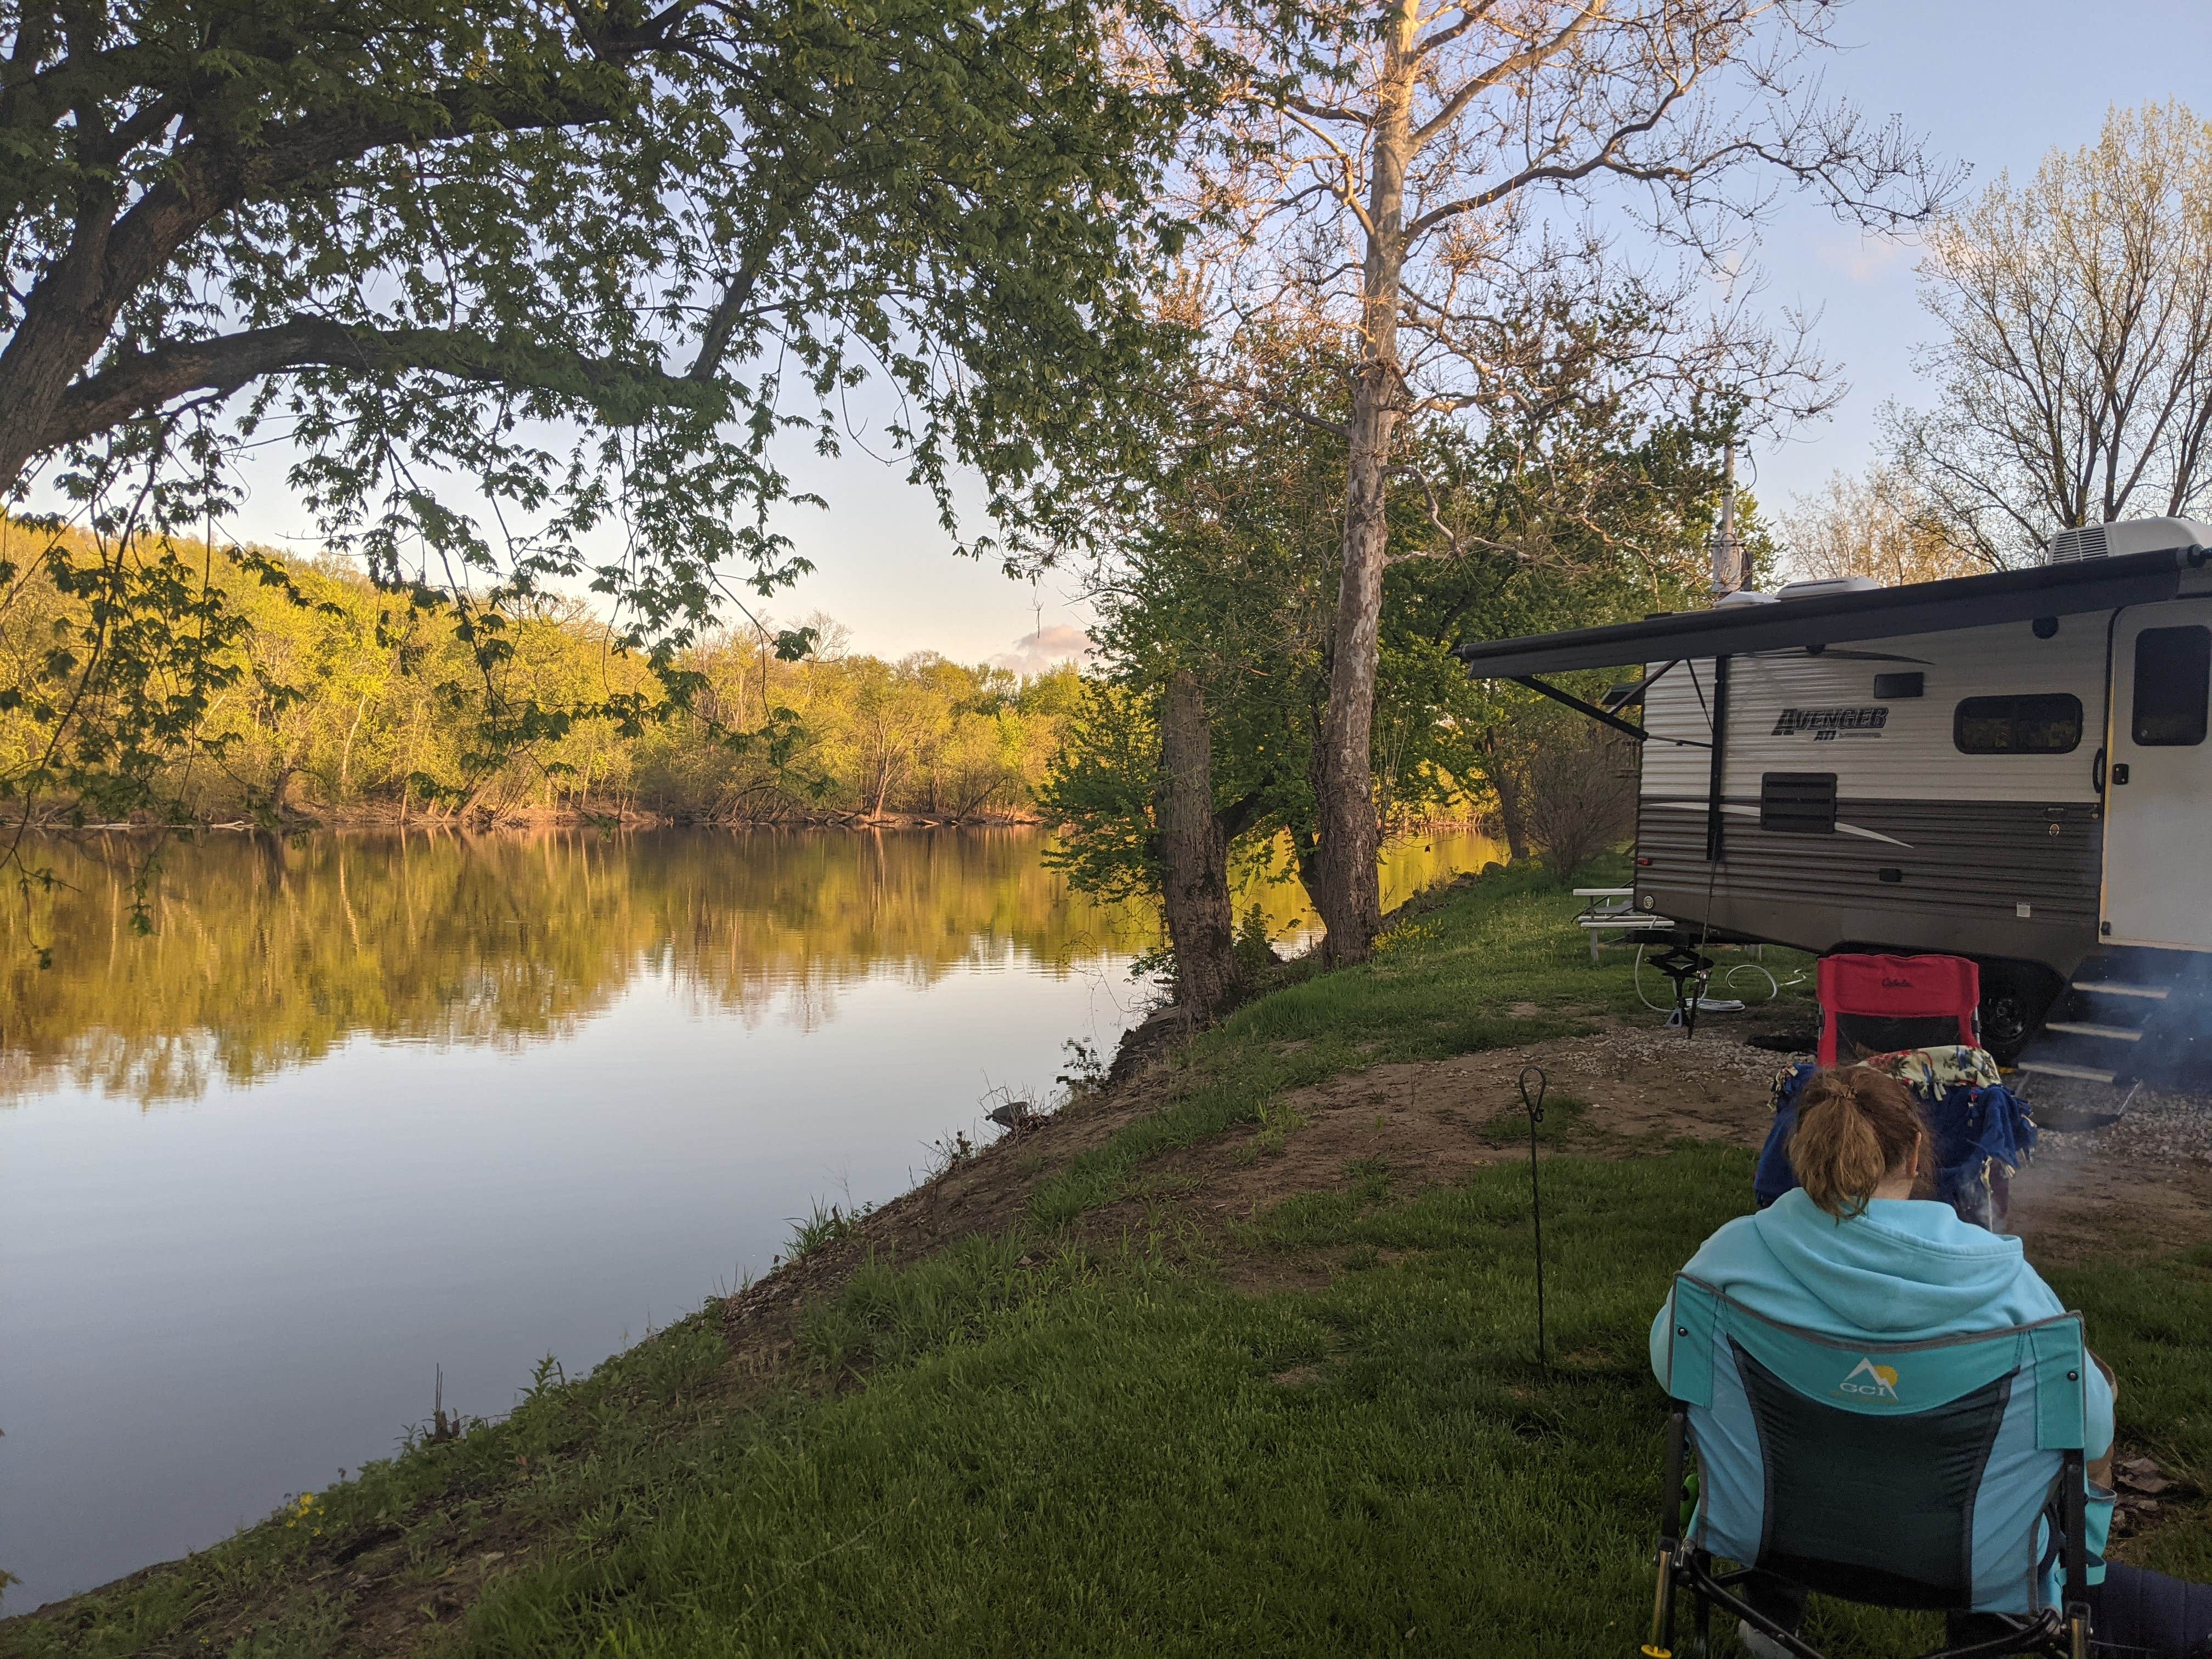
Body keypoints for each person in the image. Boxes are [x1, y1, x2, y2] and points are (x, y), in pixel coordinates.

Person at [1651, 1065, 2212, 1657]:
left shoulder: (1729, 1259)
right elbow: (2089, 1427)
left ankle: (1768, 1617)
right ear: (1916, 1153)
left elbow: (1673, 1367)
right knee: (2083, 1411)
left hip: (1772, 1531)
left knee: (1782, 1420)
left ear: (1803, 1152)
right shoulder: (2008, 1287)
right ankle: (2001, 1626)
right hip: (1967, 1560)